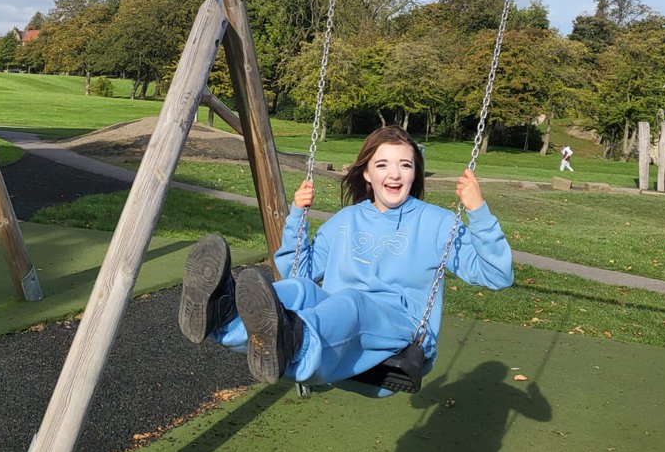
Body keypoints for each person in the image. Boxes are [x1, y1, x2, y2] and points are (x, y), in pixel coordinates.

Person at [178, 124, 513, 396]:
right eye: (382, 164)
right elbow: (300, 270)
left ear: (415, 174)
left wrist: (478, 211)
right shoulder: (346, 220)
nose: (394, 174)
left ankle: (296, 344)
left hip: (395, 334)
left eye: (405, 165)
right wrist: (297, 215)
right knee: (299, 289)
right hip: (337, 324)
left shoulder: (439, 223)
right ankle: (223, 315)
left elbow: (497, 275)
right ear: (366, 173)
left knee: (353, 303)